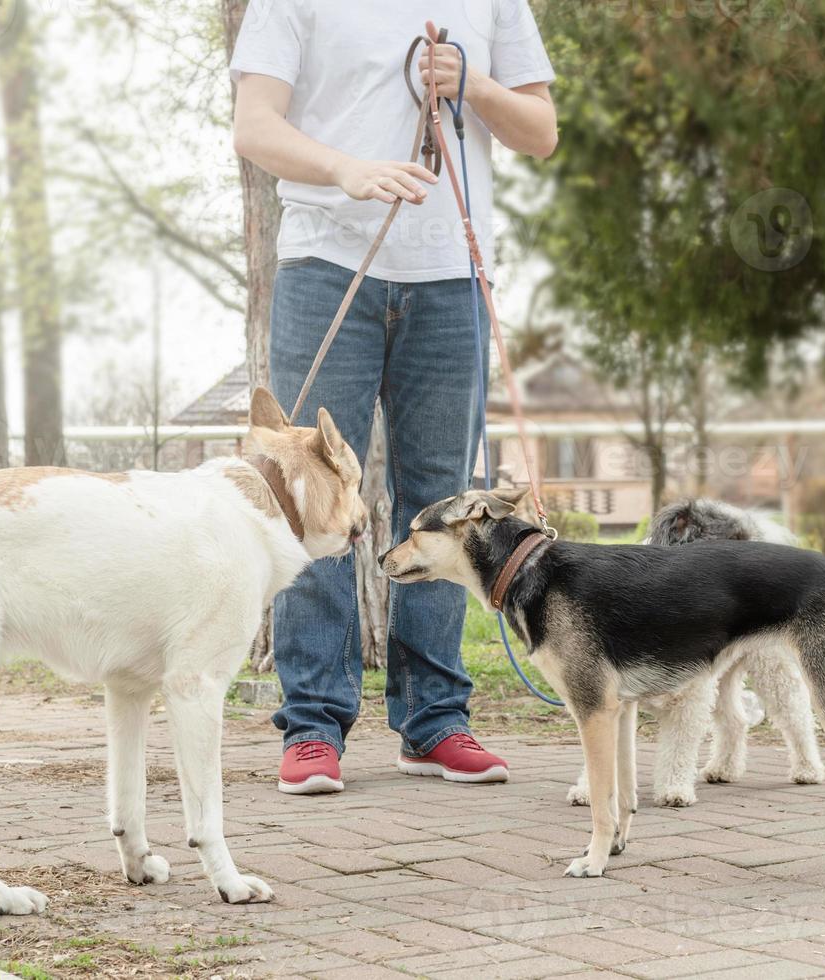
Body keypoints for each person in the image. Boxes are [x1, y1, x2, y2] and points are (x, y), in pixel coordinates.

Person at [230, 1, 557, 794]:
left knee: (447, 502)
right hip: (325, 267)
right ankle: (312, 726)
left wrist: (472, 83)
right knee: (307, 495)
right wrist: (346, 169)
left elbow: (539, 132)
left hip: (450, 279)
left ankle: (435, 720)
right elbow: (254, 125)